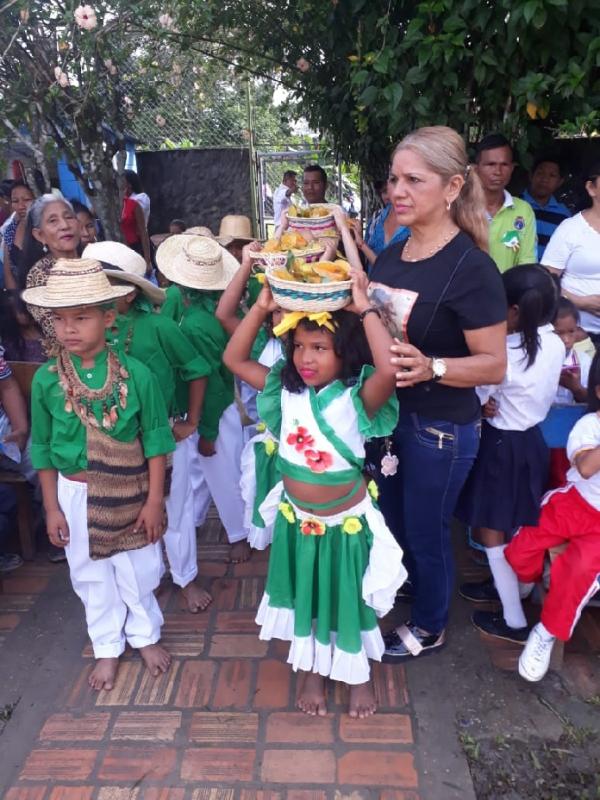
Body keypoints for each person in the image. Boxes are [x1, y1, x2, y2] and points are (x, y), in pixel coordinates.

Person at [223, 276, 406, 718]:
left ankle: (357, 672)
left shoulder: (356, 398)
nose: (306, 357)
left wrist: (364, 309)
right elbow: (233, 357)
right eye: (299, 346)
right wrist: (263, 305)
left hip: (347, 526)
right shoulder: (284, 391)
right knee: (308, 593)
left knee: (350, 597)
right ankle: (311, 672)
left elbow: (388, 369)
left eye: (320, 348)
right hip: (299, 521)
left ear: (345, 352)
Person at [367, 126, 507, 659]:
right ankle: (412, 583)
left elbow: (495, 364)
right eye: (394, 179)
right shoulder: (393, 253)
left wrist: (434, 366)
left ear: (451, 188)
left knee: (428, 532)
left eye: (413, 180)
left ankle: (429, 624)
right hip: (389, 420)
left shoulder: (472, 269)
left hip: (440, 429)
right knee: (395, 519)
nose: (398, 191)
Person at [24, 258, 176, 691]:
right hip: (74, 492)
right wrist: (52, 507)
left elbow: (157, 442)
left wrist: (153, 502)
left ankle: (144, 635)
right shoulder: (46, 381)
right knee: (90, 574)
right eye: (60, 319)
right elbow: (43, 449)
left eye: (81, 317)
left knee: (139, 567)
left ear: (108, 318)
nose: (69, 328)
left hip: (131, 490)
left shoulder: (137, 375)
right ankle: (107, 644)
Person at [83, 240, 213, 613]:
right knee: (134, 510)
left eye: (107, 287)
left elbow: (197, 369)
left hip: (166, 433)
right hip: (114, 439)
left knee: (175, 506)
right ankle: (148, 577)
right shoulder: (87, 334)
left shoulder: (158, 327)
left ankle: (185, 576)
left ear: (129, 294)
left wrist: (191, 421)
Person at [458, 265, 565, 642]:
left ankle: (515, 620)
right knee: (512, 520)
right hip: (531, 442)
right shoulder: (554, 343)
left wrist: (483, 402)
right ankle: (508, 587)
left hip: (500, 445)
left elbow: (479, 395)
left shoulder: (502, 351)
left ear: (515, 312)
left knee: (491, 529)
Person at [503, 349, 600, 681]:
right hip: (572, 504)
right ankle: (528, 578)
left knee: (581, 573)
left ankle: (545, 631)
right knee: (521, 549)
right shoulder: (590, 425)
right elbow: (586, 468)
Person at [156, 234, 250, 563]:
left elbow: (210, 380)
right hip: (201, 405)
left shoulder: (195, 322)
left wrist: (206, 429)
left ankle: (239, 533)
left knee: (223, 472)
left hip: (212, 405)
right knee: (201, 470)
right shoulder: (194, 309)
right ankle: (198, 520)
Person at [542, 163, 600, 344]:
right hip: (579, 335)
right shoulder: (571, 229)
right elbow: (546, 281)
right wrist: (580, 301)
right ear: (591, 188)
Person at [22, 195, 80, 352]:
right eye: (53, 221)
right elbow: (56, 331)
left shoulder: (93, 260)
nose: (65, 225)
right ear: (39, 235)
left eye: (69, 217)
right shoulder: (39, 275)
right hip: (74, 359)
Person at [475, 133, 537, 272]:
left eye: (504, 164)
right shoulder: (460, 207)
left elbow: (527, 263)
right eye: (490, 164)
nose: (498, 171)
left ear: (512, 168)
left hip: (509, 292)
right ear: (476, 168)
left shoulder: (523, 210)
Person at [351, 180, 409, 267]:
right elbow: (364, 261)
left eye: (393, 190)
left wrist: (362, 245)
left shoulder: (418, 224)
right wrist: (357, 239)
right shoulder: (376, 219)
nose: (388, 196)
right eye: (384, 191)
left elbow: (390, 270)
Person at [522, 157, 571, 260]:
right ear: (531, 175)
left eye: (552, 175)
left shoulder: (564, 215)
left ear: (560, 182)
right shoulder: (515, 206)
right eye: (540, 173)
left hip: (550, 273)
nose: (545, 179)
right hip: (517, 272)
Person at [553, 297, 591, 406]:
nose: (566, 340)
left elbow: (593, 401)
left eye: (572, 331)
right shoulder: (536, 360)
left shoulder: (584, 361)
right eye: (558, 333)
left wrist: (576, 388)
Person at [3, 181, 35, 290]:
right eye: (15, 201)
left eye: (26, 200)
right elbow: (8, 271)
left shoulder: (46, 227)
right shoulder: (10, 230)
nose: (21, 206)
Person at [121, 170, 152, 275]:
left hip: (137, 243)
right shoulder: (118, 202)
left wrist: (147, 260)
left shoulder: (140, 199)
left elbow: (143, 230)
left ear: (130, 184)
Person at [0, 290, 45, 363]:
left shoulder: (46, 332)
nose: (23, 316)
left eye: (24, 312)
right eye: (19, 312)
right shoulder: (11, 341)